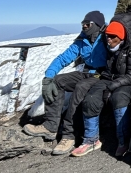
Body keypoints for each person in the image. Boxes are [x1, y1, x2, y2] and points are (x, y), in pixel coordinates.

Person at [23, 11, 108, 156]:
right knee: (57, 82)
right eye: (83, 24)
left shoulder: (106, 37)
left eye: (88, 24)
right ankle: (51, 126)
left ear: (97, 25)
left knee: (80, 89)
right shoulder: (82, 40)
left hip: (102, 74)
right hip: (87, 72)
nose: (85, 27)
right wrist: (48, 77)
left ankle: (69, 135)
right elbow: (64, 58)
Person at [73, 14, 131, 157]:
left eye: (113, 36)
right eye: (108, 36)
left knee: (119, 97)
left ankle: (123, 140)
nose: (109, 39)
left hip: (128, 82)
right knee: (91, 98)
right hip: (109, 79)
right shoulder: (109, 47)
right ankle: (91, 139)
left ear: (122, 37)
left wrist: (112, 86)